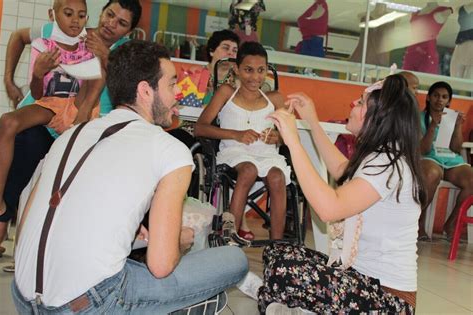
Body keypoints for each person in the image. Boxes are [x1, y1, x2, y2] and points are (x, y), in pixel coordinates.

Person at [12, 40, 248, 314]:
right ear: (145, 91)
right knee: (234, 259)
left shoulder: (72, 134)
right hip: (89, 305)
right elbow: (160, 266)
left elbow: (31, 220)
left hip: (23, 295)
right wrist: (178, 241)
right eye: (171, 85)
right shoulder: (170, 148)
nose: (177, 95)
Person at [259, 74, 425, 314]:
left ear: (377, 118)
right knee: (277, 252)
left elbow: (329, 209)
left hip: (390, 301)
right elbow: (340, 170)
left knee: (284, 270)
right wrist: (312, 122)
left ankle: (278, 302)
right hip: (362, 280)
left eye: (360, 103)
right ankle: (281, 304)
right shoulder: (383, 155)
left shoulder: (389, 163)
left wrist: (293, 142)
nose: (353, 105)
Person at [0, 0, 142, 258]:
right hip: (45, 117)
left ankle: (39, 250)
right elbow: (19, 36)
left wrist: (105, 57)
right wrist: (9, 80)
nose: (111, 24)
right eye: (109, 15)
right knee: (20, 155)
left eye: (121, 23)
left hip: (83, 128)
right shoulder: (71, 31)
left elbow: (128, 88)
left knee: (54, 191)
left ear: (129, 31)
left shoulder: (125, 54)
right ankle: (4, 218)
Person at [195, 41, 289, 240]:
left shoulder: (275, 99)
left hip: (266, 154)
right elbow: (200, 127)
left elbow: (291, 136)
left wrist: (278, 137)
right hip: (235, 153)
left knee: (277, 177)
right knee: (248, 170)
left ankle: (277, 245)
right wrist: (236, 134)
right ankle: (231, 236)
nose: (255, 77)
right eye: (248, 70)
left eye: (261, 70)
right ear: (237, 69)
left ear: (267, 71)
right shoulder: (226, 93)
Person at [418, 81, 473, 240]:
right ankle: (418, 223)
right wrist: (433, 126)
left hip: (451, 160)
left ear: (449, 100)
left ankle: (452, 224)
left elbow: (456, 148)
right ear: (428, 98)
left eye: (444, 97)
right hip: (429, 158)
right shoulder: (419, 117)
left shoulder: (451, 118)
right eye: (435, 95)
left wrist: (457, 127)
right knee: (432, 174)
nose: (439, 100)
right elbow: (423, 149)